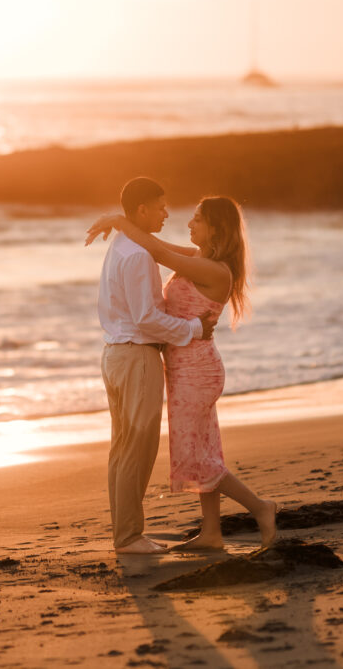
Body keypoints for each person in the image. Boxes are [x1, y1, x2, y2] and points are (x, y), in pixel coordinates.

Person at [86, 194, 280, 551]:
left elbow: (156, 253)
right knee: (206, 449)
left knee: (196, 456)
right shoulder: (199, 259)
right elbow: (156, 244)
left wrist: (119, 218)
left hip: (196, 370)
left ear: (216, 229)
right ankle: (211, 532)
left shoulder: (214, 270)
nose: (189, 224)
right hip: (185, 366)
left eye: (197, 219)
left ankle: (260, 508)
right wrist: (122, 221)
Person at [93, 177, 219, 554]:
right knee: (138, 449)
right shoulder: (137, 255)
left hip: (117, 354)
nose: (167, 213)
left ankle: (125, 534)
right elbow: (146, 318)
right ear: (143, 210)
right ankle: (130, 537)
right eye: (161, 207)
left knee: (122, 448)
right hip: (137, 356)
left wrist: (118, 220)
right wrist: (194, 327)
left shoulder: (123, 246)